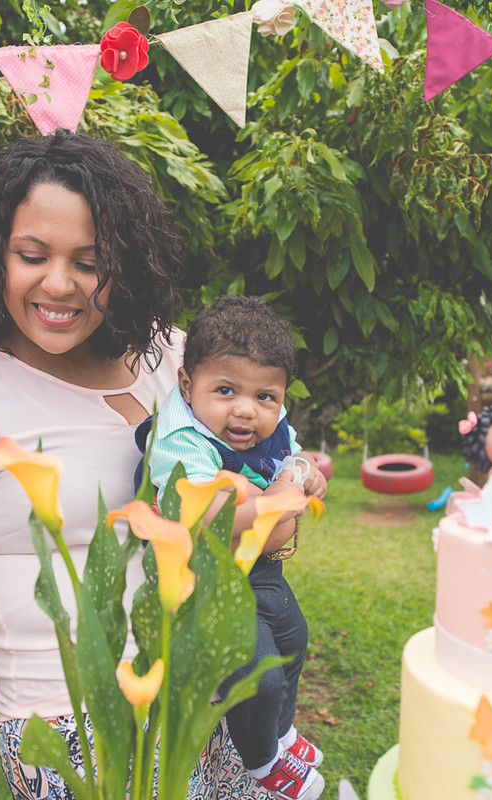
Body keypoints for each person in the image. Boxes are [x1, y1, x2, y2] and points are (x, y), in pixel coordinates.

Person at [0, 132, 275, 800]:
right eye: (31, 255)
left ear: (126, 266)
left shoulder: (176, 363)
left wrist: (281, 499)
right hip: (75, 736)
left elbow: (237, 484)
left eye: (90, 261)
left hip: (197, 706)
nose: (58, 283)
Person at [144, 295, 329, 800]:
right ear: (187, 384)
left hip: (259, 570)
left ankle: (282, 735)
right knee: (259, 675)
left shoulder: (269, 422)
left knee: (293, 641)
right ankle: (262, 763)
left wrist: (306, 474)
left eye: (265, 397)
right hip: (203, 582)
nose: (246, 410)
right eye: (225, 390)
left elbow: (291, 455)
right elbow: (199, 515)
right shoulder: (181, 436)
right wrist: (273, 504)